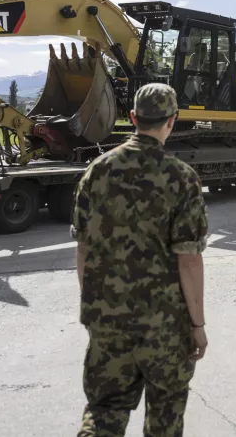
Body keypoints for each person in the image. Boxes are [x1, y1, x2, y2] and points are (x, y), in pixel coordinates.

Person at [71, 82, 209, 437]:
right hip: (165, 327)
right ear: (172, 121)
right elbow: (189, 260)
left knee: (104, 412)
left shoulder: (97, 172)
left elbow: (83, 249)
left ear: (133, 117)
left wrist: (97, 306)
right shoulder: (182, 179)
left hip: (108, 323)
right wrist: (197, 325)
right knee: (165, 417)